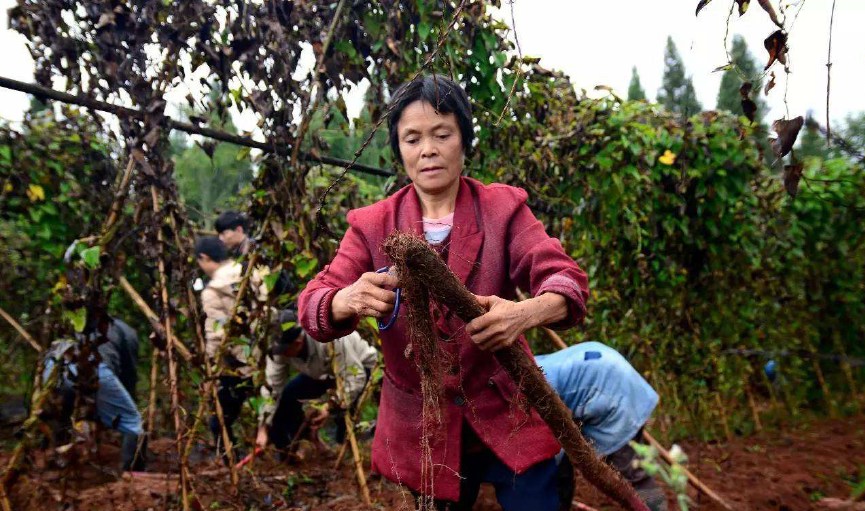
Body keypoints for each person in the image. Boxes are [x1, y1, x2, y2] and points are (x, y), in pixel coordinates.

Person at [298, 74, 589, 511]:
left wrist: (524, 314)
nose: (428, 149)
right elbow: (313, 303)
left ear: (464, 140)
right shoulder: (374, 224)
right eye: (412, 138)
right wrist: (346, 298)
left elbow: (565, 279)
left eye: (442, 134)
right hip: (422, 428)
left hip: (507, 409)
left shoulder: (502, 209)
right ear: (399, 149)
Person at [536, 342, 666, 511]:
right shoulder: (528, 366)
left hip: (611, 393)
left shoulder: (527, 386)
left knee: (632, 472)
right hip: (608, 374)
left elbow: (552, 449)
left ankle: (656, 509)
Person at [255, 309, 378, 455]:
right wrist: (263, 427)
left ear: (298, 342)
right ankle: (287, 447)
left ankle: (344, 449)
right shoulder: (279, 350)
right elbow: (273, 389)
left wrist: (329, 407)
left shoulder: (329, 337)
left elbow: (354, 378)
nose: (282, 354)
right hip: (320, 374)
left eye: (285, 350)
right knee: (290, 394)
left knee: (343, 415)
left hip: (358, 369)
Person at [42, 316, 146, 472]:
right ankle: (133, 472)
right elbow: (128, 378)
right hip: (94, 368)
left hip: (54, 369)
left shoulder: (73, 321)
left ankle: (57, 464)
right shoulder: (127, 332)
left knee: (63, 413)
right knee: (134, 423)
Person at [195, 236, 262, 461]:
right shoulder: (248, 271)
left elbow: (216, 335)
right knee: (267, 408)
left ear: (204, 258)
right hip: (265, 356)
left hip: (237, 364)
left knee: (219, 420)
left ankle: (231, 463)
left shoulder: (212, 291)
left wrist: (212, 369)